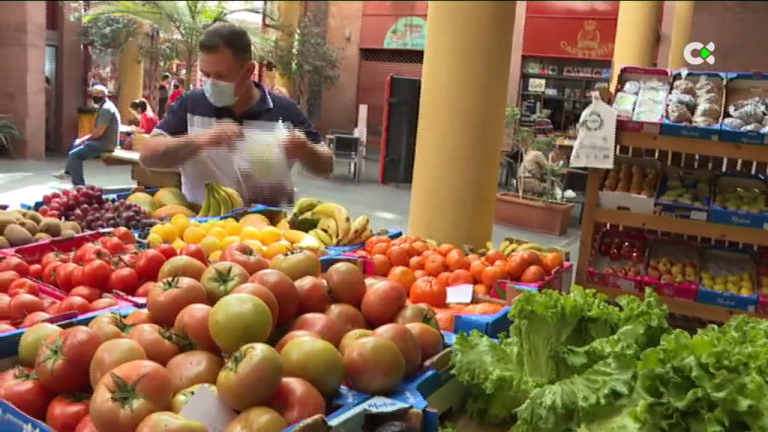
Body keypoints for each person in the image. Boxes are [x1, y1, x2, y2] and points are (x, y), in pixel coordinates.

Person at [139, 23, 334, 207]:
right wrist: (202, 140)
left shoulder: (284, 110)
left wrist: (305, 149)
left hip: (266, 225)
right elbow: (149, 156)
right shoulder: (190, 104)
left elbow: (327, 166)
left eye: (221, 75)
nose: (211, 83)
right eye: (206, 75)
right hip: (199, 223)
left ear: (248, 70)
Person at [53, 85, 121, 185]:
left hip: (105, 143)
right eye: (93, 94)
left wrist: (84, 139)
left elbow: (99, 133)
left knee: (75, 155)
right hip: (104, 140)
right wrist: (82, 140)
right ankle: (67, 172)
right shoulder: (105, 106)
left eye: (98, 94)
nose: (95, 96)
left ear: (105, 95)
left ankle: (78, 184)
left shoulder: (106, 109)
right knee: (76, 144)